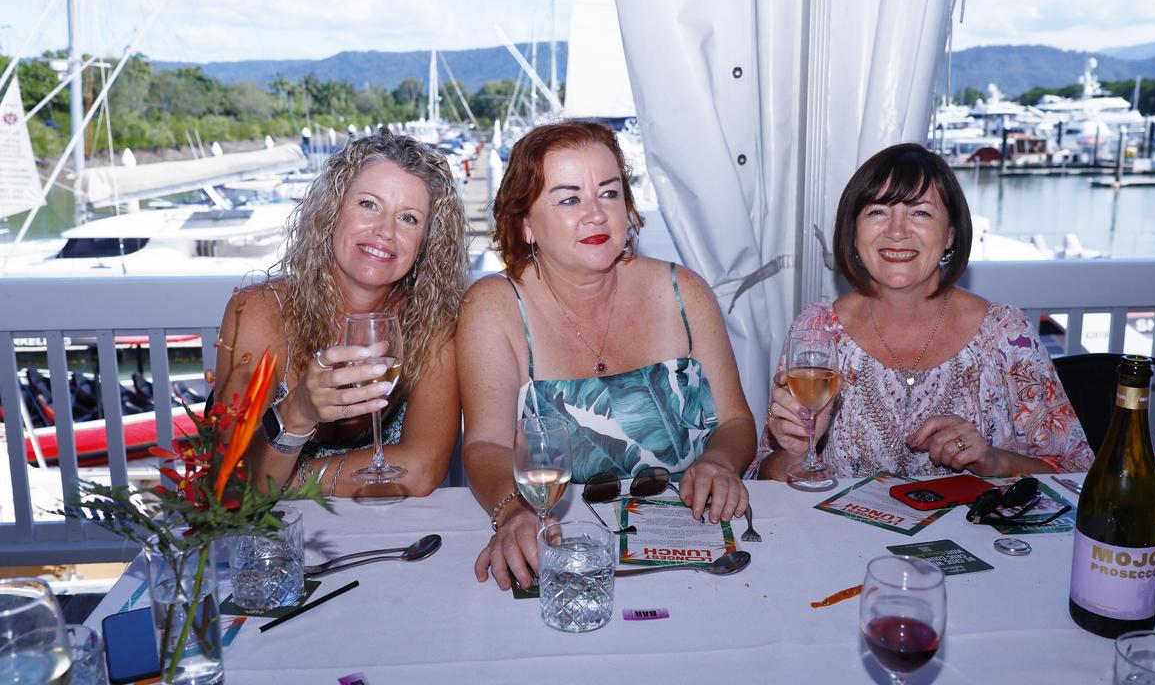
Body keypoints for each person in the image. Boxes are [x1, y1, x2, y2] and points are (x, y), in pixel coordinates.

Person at [460, 120, 756, 591]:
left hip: (695, 549)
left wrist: (719, 463)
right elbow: (485, 446)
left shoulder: (686, 293)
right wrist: (512, 511)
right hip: (562, 553)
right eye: (570, 198)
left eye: (610, 193)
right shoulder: (494, 307)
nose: (596, 214)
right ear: (526, 224)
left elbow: (737, 422)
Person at [755, 143, 1093, 481]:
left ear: (950, 235)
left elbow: (1078, 475)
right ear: (853, 232)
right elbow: (761, 475)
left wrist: (994, 461)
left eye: (920, 213)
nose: (897, 231)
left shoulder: (1006, 334)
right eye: (877, 212)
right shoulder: (817, 329)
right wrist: (796, 453)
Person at [213, 127, 467, 497]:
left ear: (427, 241)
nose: (385, 231)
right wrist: (297, 412)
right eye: (368, 204)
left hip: (389, 539)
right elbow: (229, 485)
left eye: (409, 218)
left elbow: (422, 469)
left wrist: (285, 479)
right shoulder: (259, 314)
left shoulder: (435, 327)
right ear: (331, 212)